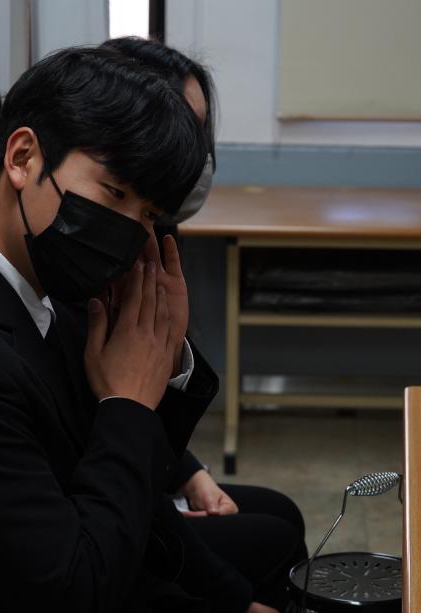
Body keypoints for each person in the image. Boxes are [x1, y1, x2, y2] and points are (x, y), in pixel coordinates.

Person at [0, 47, 273, 613]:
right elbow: (72, 588)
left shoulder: (41, 289)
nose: (128, 232)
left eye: (148, 215)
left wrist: (164, 358)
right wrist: (127, 403)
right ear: (23, 157)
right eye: (114, 193)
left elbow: (129, 489)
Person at [102, 36, 308, 611]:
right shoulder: (95, 252)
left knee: (279, 514)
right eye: (176, 127)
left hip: (134, 485)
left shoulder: (152, 237)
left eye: (198, 133)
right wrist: (235, 600)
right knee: (275, 538)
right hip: (112, 514)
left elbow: (148, 413)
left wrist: (188, 474)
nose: (191, 155)